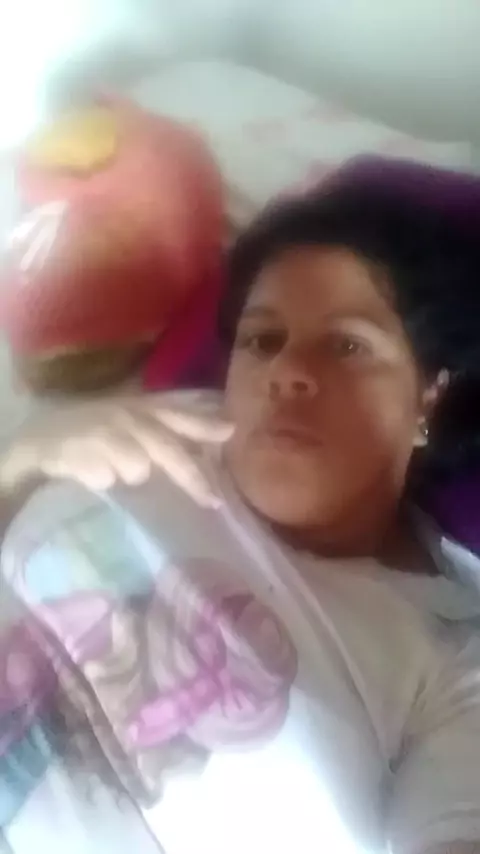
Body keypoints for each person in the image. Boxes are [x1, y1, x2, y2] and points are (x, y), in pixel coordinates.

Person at [2, 183, 480, 854]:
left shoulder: (452, 652)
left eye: (347, 345)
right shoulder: (136, 433)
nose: (287, 370)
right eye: (262, 340)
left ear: (429, 392)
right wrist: (19, 461)